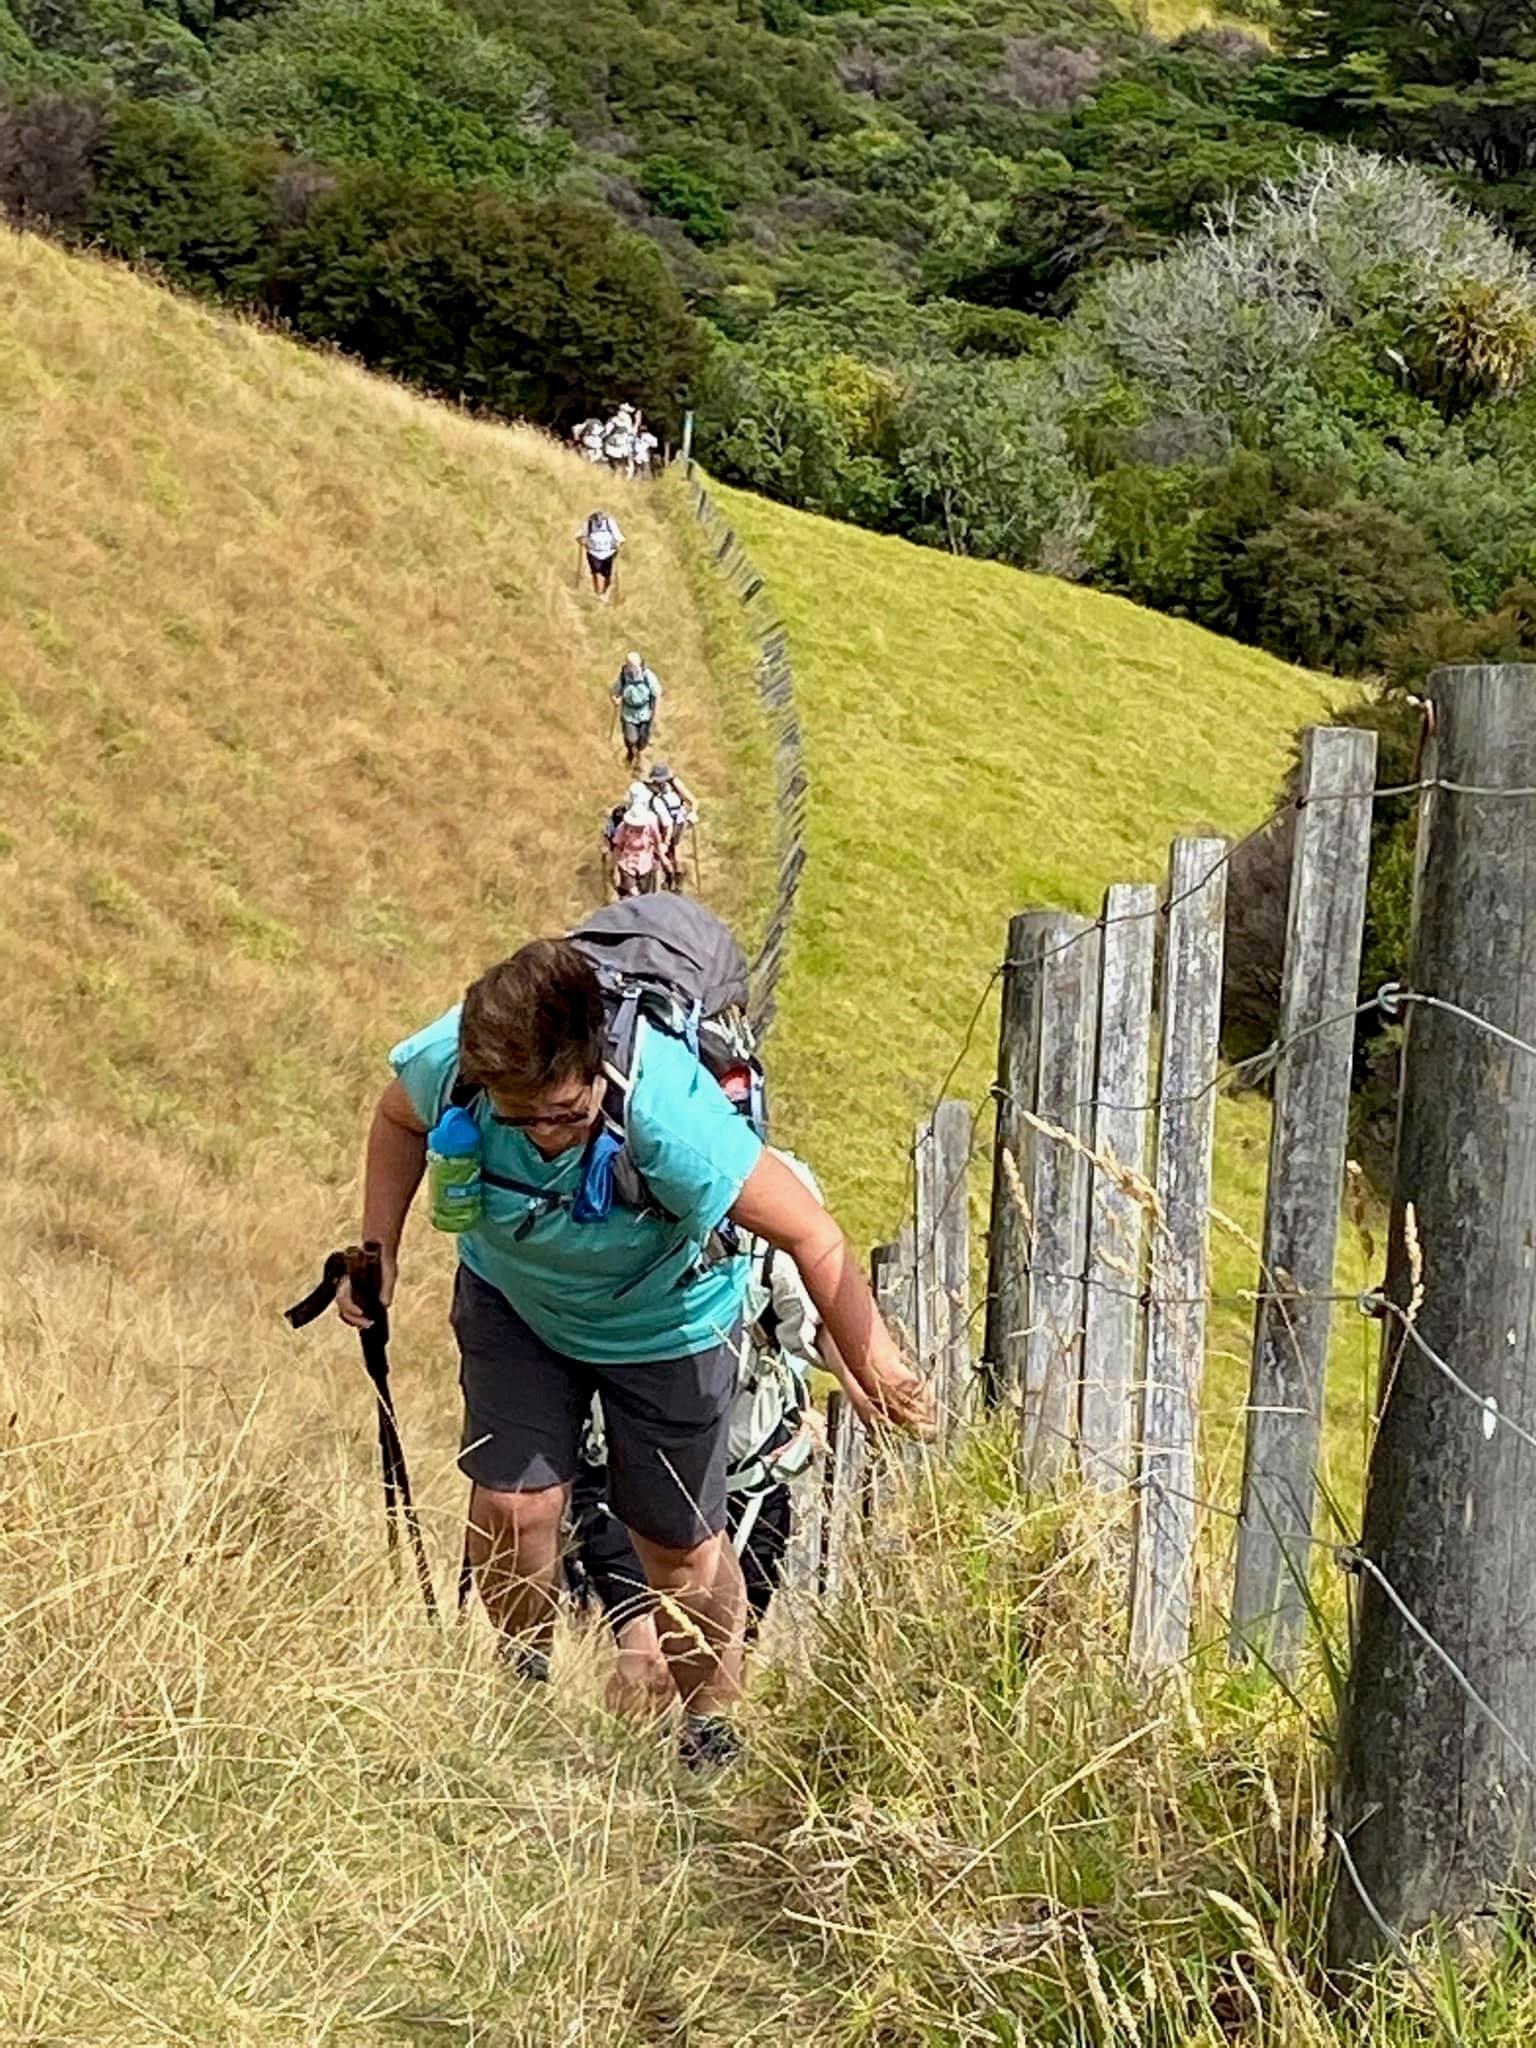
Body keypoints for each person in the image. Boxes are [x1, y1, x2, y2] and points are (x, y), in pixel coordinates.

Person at [334, 936, 932, 1768]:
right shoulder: (459, 1063)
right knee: (512, 1507)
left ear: (598, 1072)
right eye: (518, 1116)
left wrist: (878, 1362)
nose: (541, 1138)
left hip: (668, 1327)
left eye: (564, 1115)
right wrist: (379, 1248)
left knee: (678, 1551)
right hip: (517, 1300)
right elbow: (397, 1117)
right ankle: (520, 1696)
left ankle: (709, 1730)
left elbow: (810, 1232)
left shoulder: (668, 1115)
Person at [568, 1148, 870, 1713]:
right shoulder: (596, 1172)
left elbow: (813, 1318)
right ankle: (621, 1784)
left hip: (749, 1484)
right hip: (628, 1476)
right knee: (645, 1660)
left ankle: (698, 1775)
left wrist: (867, 1379)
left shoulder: (773, 1192)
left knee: (721, 1667)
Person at [644, 762, 697, 892]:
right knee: (675, 851)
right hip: (679, 822)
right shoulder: (673, 784)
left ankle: (671, 880)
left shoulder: (669, 786)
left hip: (668, 824)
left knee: (668, 851)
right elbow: (693, 801)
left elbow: (693, 802)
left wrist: (692, 813)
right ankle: (677, 883)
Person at [609, 791, 671, 899]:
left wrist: (663, 857)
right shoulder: (623, 828)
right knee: (633, 896)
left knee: (648, 897)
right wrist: (615, 871)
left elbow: (656, 843)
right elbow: (617, 849)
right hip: (627, 864)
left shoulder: (650, 826)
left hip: (646, 863)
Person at [611, 652, 661, 770]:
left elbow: (657, 694)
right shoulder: (623, 677)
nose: (633, 668)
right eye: (631, 666)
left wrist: (656, 713)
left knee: (643, 740)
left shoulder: (647, 676)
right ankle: (631, 754)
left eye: (636, 665)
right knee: (630, 738)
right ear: (627, 665)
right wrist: (615, 700)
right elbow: (614, 692)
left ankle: (639, 755)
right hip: (629, 714)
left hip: (645, 714)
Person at [578, 510, 624, 602]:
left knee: (607, 577)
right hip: (594, 553)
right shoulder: (589, 523)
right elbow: (579, 536)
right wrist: (583, 541)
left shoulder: (609, 522)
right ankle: (599, 597)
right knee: (597, 573)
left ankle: (604, 594)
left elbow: (620, 538)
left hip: (608, 553)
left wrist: (618, 544)